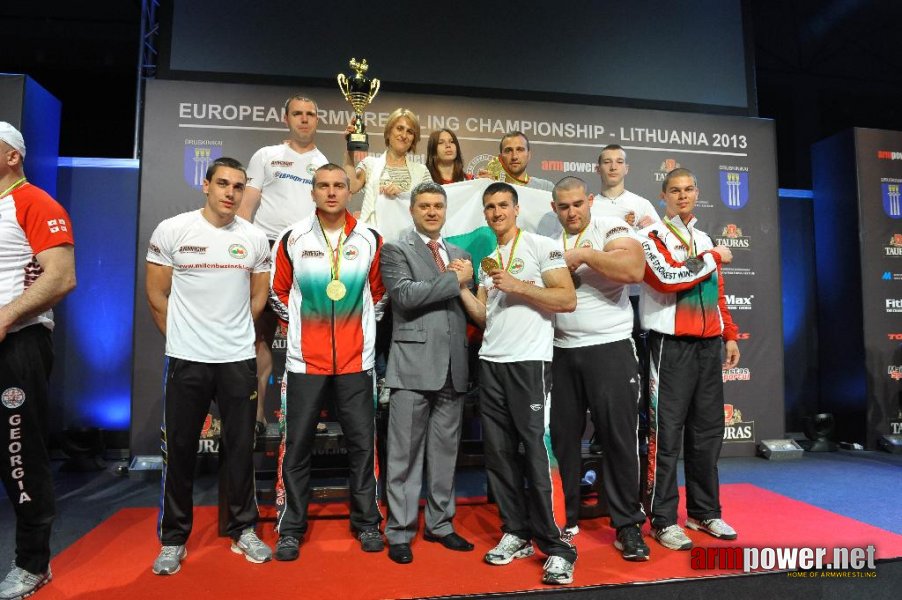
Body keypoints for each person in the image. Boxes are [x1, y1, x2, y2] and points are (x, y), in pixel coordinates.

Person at [146, 157, 273, 574]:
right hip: (186, 359)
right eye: (223, 184)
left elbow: (257, 299)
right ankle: (173, 540)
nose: (230, 193)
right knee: (179, 451)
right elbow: (156, 296)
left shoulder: (254, 238)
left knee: (239, 449)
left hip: (237, 359)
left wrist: (231, 335)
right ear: (206, 185)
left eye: (238, 186)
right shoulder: (173, 230)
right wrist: (185, 340)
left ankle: (243, 531)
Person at [458, 182, 577, 585]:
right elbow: (485, 317)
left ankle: (559, 546)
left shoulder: (542, 246)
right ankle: (516, 532)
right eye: (489, 207)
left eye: (503, 205)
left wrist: (519, 286)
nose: (496, 213)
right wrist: (462, 290)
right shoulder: (488, 260)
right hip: (491, 363)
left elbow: (566, 298)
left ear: (516, 207)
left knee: (538, 457)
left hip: (530, 364)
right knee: (500, 454)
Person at [270, 163, 386, 561]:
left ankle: (367, 522)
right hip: (305, 362)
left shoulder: (371, 238)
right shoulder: (293, 238)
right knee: (296, 446)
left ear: (350, 190)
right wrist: (309, 329)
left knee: (362, 446)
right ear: (313, 191)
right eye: (323, 186)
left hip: (357, 362)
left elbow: (380, 296)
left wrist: (360, 330)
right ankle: (290, 529)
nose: (331, 192)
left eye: (339, 185)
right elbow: (277, 294)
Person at [547, 177, 651, 560]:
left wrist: (586, 255)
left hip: (609, 347)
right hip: (560, 350)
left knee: (619, 439)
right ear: (554, 207)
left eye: (577, 204)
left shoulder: (608, 225)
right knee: (562, 442)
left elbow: (633, 269)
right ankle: (565, 519)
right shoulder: (547, 237)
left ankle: (627, 526)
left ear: (589, 200)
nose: (572, 212)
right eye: (564, 206)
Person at [638, 167, 740, 551]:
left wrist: (728, 333)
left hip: (708, 344)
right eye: (674, 190)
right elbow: (669, 277)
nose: (682, 196)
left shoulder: (703, 237)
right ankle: (662, 519)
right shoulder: (650, 235)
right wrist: (713, 256)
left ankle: (703, 511)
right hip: (670, 346)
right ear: (663, 195)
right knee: (665, 435)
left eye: (688, 189)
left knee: (707, 432)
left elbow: (719, 292)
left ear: (696, 192)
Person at [379, 181, 474, 565]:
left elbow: (469, 307)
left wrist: (464, 279)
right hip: (412, 368)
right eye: (424, 206)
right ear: (413, 211)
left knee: (445, 454)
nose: (432, 211)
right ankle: (400, 531)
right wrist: (456, 279)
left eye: (438, 205)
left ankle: (441, 524)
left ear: (445, 210)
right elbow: (406, 295)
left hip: (454, 367)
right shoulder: (395, 250)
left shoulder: (461, 254)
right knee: (402, 456)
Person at [0, 122, 76, 600]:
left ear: (12, 156)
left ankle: (32, 564)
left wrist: (4, 316)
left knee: (19, 454)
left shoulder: (35, 202)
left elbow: (62, 277)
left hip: (19, 344)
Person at [238, 94, 328, 435]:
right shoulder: (267, 156)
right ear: (286, 118)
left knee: (310, 339)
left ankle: (306, 418)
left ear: (317, 120)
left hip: (305, 257)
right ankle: (256, 416)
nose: (304, 119)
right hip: (265, 252)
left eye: (310, 114)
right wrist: (246, 252)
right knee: (258, 336)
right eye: (298, 114)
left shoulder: (323, 164)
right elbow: (247, 207)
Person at [344, 107, 432, 242]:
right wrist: (350, 146)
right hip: (374, 242)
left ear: (414, 139)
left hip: (410, 245)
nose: (404, 135)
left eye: (410, 132)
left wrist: (404, 195)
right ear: (388, 132)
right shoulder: (370, 164)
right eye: (399, 128)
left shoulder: (421, 171)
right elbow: (351, 186)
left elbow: (430, 205)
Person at [593, 145, 659, 228]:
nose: (613, 167)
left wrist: (654, 228)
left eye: (619, 162)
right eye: (607, 162)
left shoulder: (642, 205)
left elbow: (664, 239)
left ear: (626, 169)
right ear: (598, 169)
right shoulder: (589, 207)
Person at [478, 131, 553, 191]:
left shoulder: (546, 188)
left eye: (520, 150)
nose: (514, 156)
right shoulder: (490, 188)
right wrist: (482, 189)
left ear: (529, 155)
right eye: (508, 151)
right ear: (500, 158)